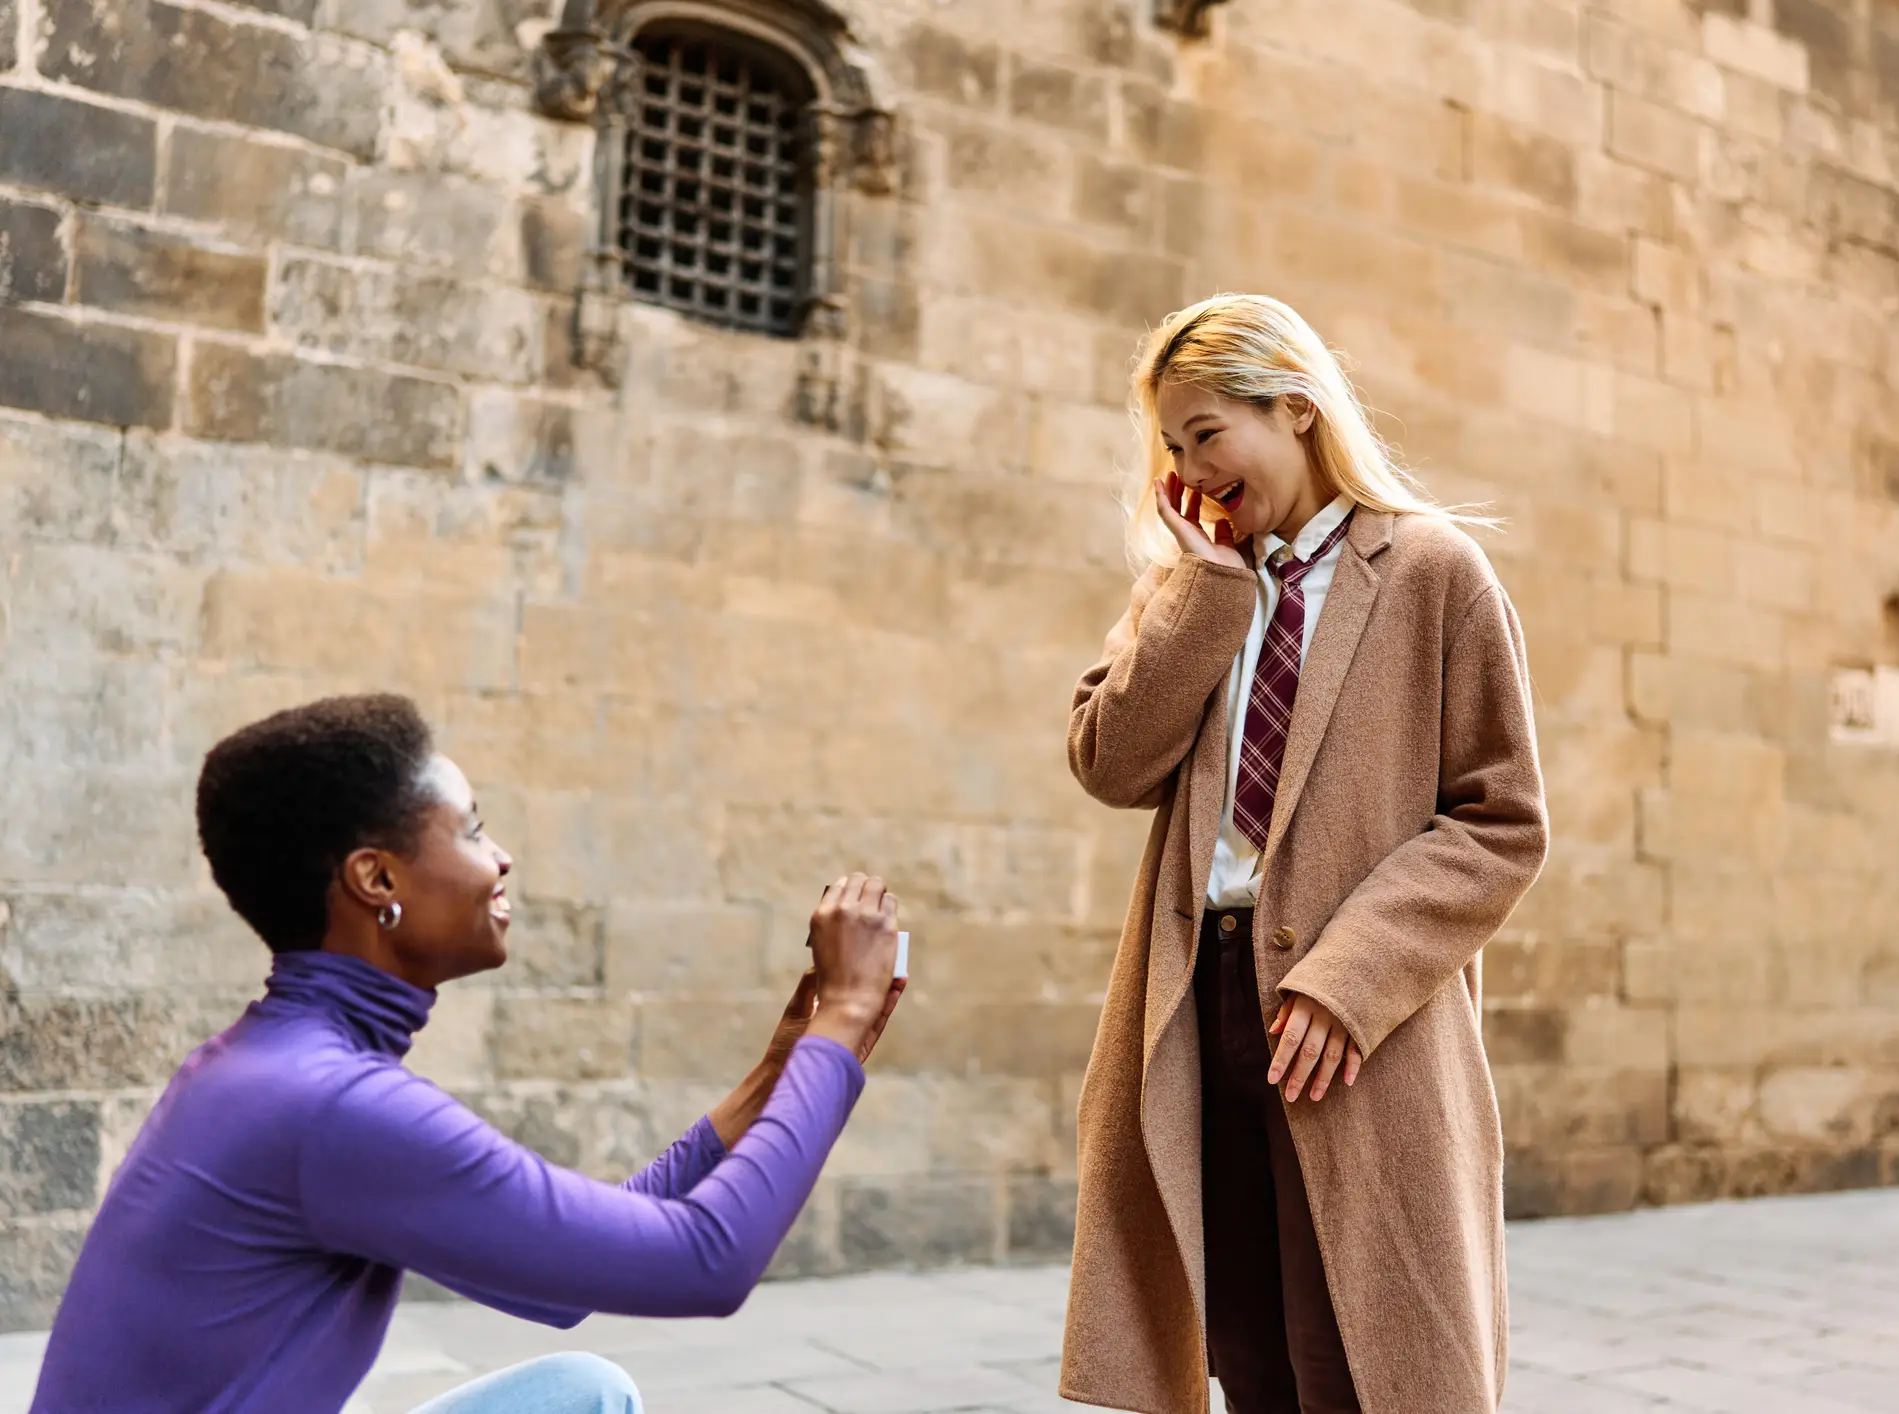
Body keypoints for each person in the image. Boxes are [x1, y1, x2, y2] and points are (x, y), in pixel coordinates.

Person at [30, 694, 906, 1414]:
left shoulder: (274, 1066)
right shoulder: (328, 1106)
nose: (503, 857)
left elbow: (566, 1281)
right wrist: (851, 1012)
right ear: (377, 881)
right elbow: (704, 1261)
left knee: (582, 1395)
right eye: (474, 829)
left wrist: (785, 1066)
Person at [1061, 294, 1549, 1412]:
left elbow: (1500, 818)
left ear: (1295, 406)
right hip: (1199, 1007)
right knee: (1248, 1347)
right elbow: (1107, 762)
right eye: (1173, 446)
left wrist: (1349, 975)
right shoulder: (1187, 591)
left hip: (1351, 1021)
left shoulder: (1433, 572)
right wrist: (1207, 596)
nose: (1190, 466)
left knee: (1362, 1354)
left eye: (1205, 433)